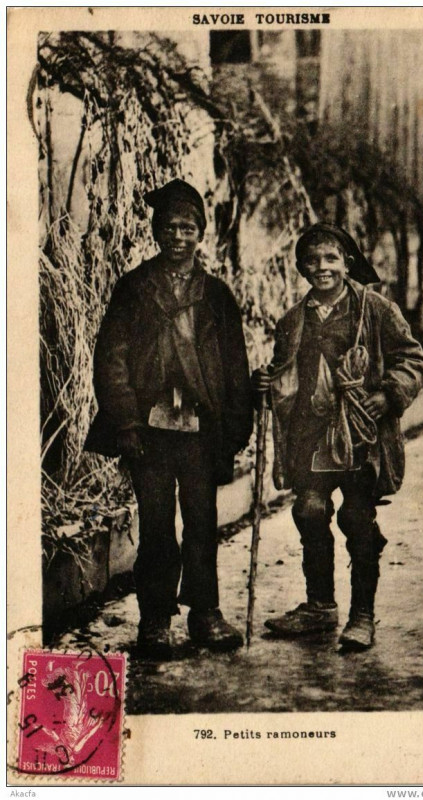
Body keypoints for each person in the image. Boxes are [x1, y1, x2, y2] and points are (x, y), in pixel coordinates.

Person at [85, 179, 253, 656]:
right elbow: (111, 359)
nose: (178, 235)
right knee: (157, 525)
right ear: (157, 231)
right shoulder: (135, 288)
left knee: (203, 523)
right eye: (170, 226)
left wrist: (235, 429)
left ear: (201, 234)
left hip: (201, 431)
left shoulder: (217, 296)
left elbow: (235, 367)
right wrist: (126, 423)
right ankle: (155, 619)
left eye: (188, 227)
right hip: (149, 432)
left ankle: (205, 614)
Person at [252, 223, 423, 651]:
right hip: (310, 435)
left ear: (347, 262)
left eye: (331, 258)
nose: (322, 267)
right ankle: (320, 605)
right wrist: (264, 382)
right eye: (312, 260)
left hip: (359, 435)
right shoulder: (293, 321)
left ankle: (362, 615)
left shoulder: (375, 309)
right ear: (302, 268)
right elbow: (284, 374)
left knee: (355, 518)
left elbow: (414, 359)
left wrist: (387, 395)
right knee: (310, 510)